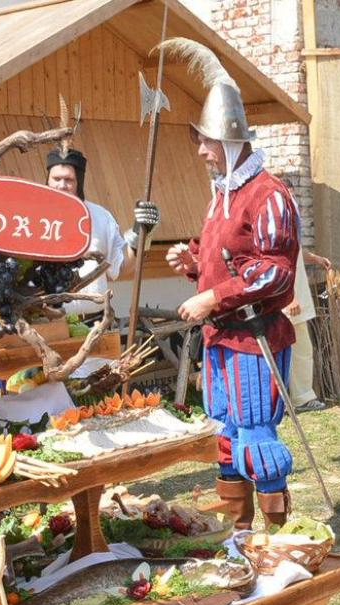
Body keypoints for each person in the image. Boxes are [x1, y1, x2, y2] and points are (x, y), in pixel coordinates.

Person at [161, 38, 300, 530]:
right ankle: (238, 529)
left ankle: (277, 533)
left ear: (231, 141)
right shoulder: (221, 195)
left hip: (254, 337)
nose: (200, 151)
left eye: (207, 141)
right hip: (222, 335)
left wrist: (212, 295)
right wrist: (193, 261)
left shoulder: (269, 194)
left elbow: (273, 270)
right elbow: (227, 259)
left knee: (255, 431)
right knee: (225, 429)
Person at [45, 146, 160, 319]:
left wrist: (140, 232)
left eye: (69, 179)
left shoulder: (100, 217)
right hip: (45, 322)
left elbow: (120, 267)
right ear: (47, 180)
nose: (62, 185)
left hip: (94, 322)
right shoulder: (31, 217)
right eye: (56, 178)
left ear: (79, 182)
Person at [286, 248, 331, 412]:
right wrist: (288, 296)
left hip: (295, 297)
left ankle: (301, 398)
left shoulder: (288, 224)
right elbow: (276, 259)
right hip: (285, 299)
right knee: (282, 352)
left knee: (302, 349)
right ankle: (287, 400)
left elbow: (295, 248)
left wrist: (314, 258)